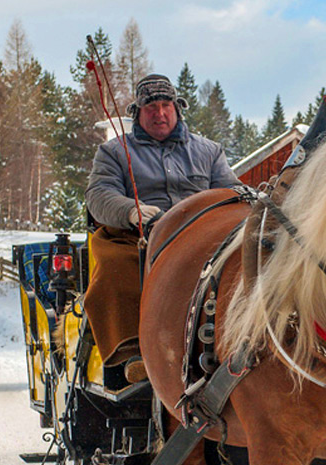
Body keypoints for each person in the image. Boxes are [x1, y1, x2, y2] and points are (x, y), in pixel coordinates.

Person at [84, 73, 241, 383]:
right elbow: (99, 195)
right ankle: (133, 351)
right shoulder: (115, 152)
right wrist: (130, 211)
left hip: (203, 237)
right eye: (151, 107)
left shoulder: (209, 152)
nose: (160, 114)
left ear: (177, 109)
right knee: (116, 266)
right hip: (138, 238)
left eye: (166, 105)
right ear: (137, 114)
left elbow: (232, 192)